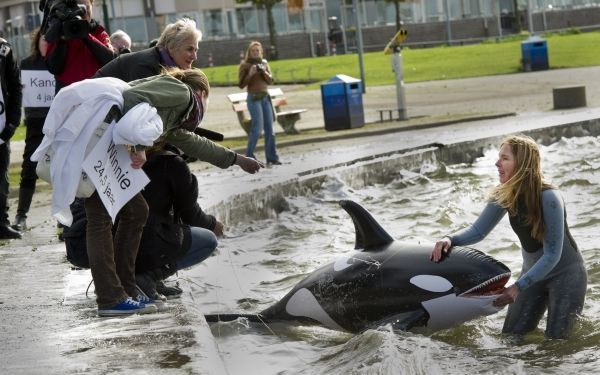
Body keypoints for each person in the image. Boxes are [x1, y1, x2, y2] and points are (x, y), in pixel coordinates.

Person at [430, 134, 587, 339]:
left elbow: (552, 255)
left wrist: (517, 287)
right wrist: (450, 239)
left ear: (522, 164)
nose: (497, 163)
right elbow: (479, 231)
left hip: (567, 277)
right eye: (499, 157)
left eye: (504, 158)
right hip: (532, 275)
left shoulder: (549, 197)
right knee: (510, 338)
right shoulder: (504, 193)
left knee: (557, 343)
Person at [134, 142, 224, 300]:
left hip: (110, 243)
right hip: (144, 239)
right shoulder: (171, 162)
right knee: (209, 240)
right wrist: (213, 224)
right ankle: (149, 276)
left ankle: (146, 277)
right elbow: (192, 216)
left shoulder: (127, 153)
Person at [12, 29, 52, 231]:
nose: (46, 43)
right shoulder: (27, 64)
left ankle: (66, 217)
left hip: (59, 123)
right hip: (36, 122)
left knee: (63, 169)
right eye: (43, 40)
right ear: (36, 42)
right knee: (29, 167)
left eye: (50, 40)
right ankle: (21, 215)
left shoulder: (60, 63)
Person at [95, 17, 200, 82]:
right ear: (171, 47)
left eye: (196, 50)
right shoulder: (147, 66)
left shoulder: (163, 63)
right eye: (190, 49)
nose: (194, 56)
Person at [44, 0, 114, 92]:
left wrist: (85, 34)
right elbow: (54, 68)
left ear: (92, 6)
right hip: (68, 95)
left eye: (86, 8)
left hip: (96, 93)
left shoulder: (98, 31)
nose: (85, 12)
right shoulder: (58, 32)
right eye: (79, 8)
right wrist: (63, 39)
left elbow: (109, 60)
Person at [238, 41, 281, 165]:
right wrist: (250, 74)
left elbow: (270, 81)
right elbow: (241, 85)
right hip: (253, 98)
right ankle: (249, 155)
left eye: (258, 51)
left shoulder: (264, 63)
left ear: (261, 52)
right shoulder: (245, 65)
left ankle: (272, 157)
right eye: (253, 51)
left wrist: (264, 71)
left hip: (265, 98)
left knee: (270, 129)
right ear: (249, 53)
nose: (255, 53)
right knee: (257, 129)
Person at [0, 36, 23, 239]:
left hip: (1, 127)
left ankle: (1, 222)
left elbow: (15, 86)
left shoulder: (3, 48)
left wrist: (13, 121)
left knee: (1, 177)